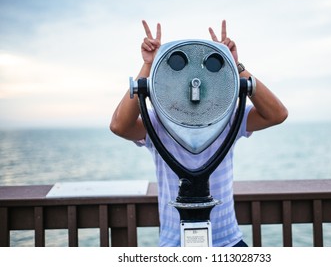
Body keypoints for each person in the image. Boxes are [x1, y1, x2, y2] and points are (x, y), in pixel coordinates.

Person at [110, 20, 288, 247]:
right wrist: (150, 66)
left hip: (228, 243)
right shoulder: (156, 123)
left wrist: (236, 67)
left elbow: (277, 114)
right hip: (174, 245)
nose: (193, 87)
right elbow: (119, 126)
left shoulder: (229, 118)